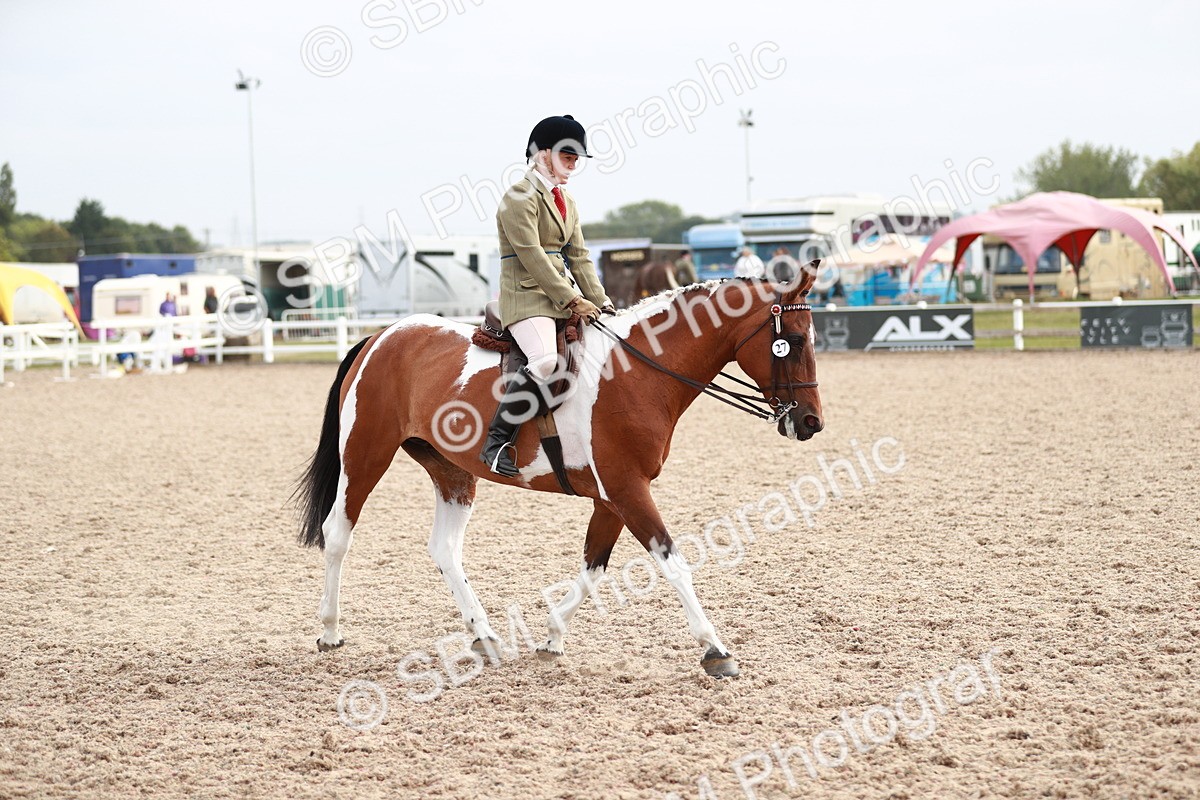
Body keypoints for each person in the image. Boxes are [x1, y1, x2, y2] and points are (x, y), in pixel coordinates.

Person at [479, 114, 615, 478]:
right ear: (542, 155)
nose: (573, 165)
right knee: (543, 361)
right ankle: (495, 443)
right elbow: (533, 257)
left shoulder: (566, 200)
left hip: (560, 295)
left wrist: (601, 301)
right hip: (525, 298)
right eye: (567, 157)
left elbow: (580, 256)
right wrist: (572, 299)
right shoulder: (518, 197)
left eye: (575, 159)